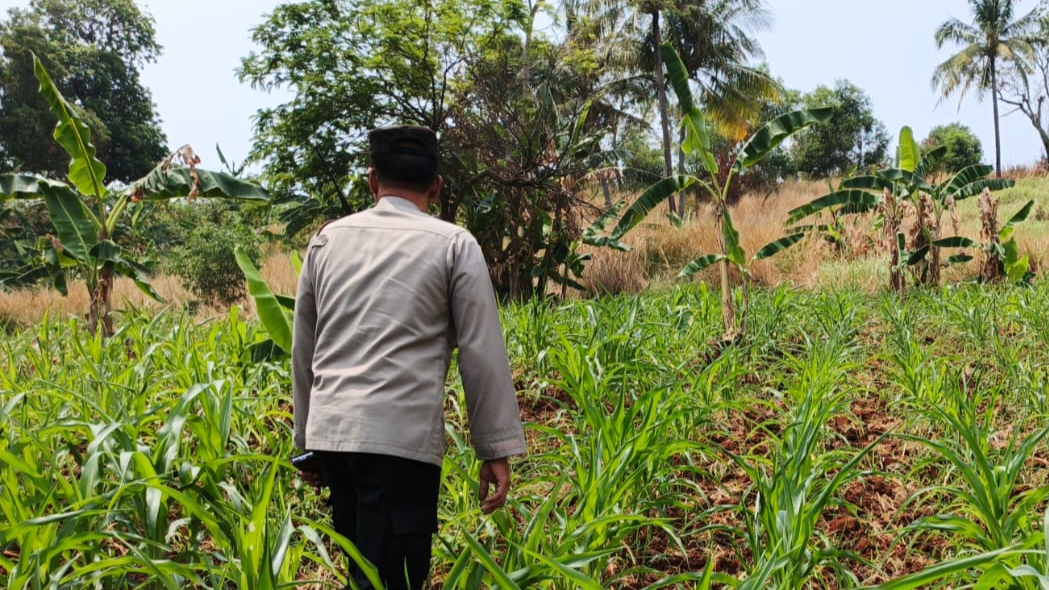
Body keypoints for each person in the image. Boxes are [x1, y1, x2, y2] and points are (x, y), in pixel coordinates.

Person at [291, 125, 527, 590]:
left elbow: (305, 349)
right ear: (436, 187)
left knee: (363, 572)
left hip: (334, 440)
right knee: (392, 580)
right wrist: (494, 448)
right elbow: (481, 352)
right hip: (400, 445)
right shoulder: (454, 244)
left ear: (372, 181)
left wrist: (306, 443)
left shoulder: (327, 241)